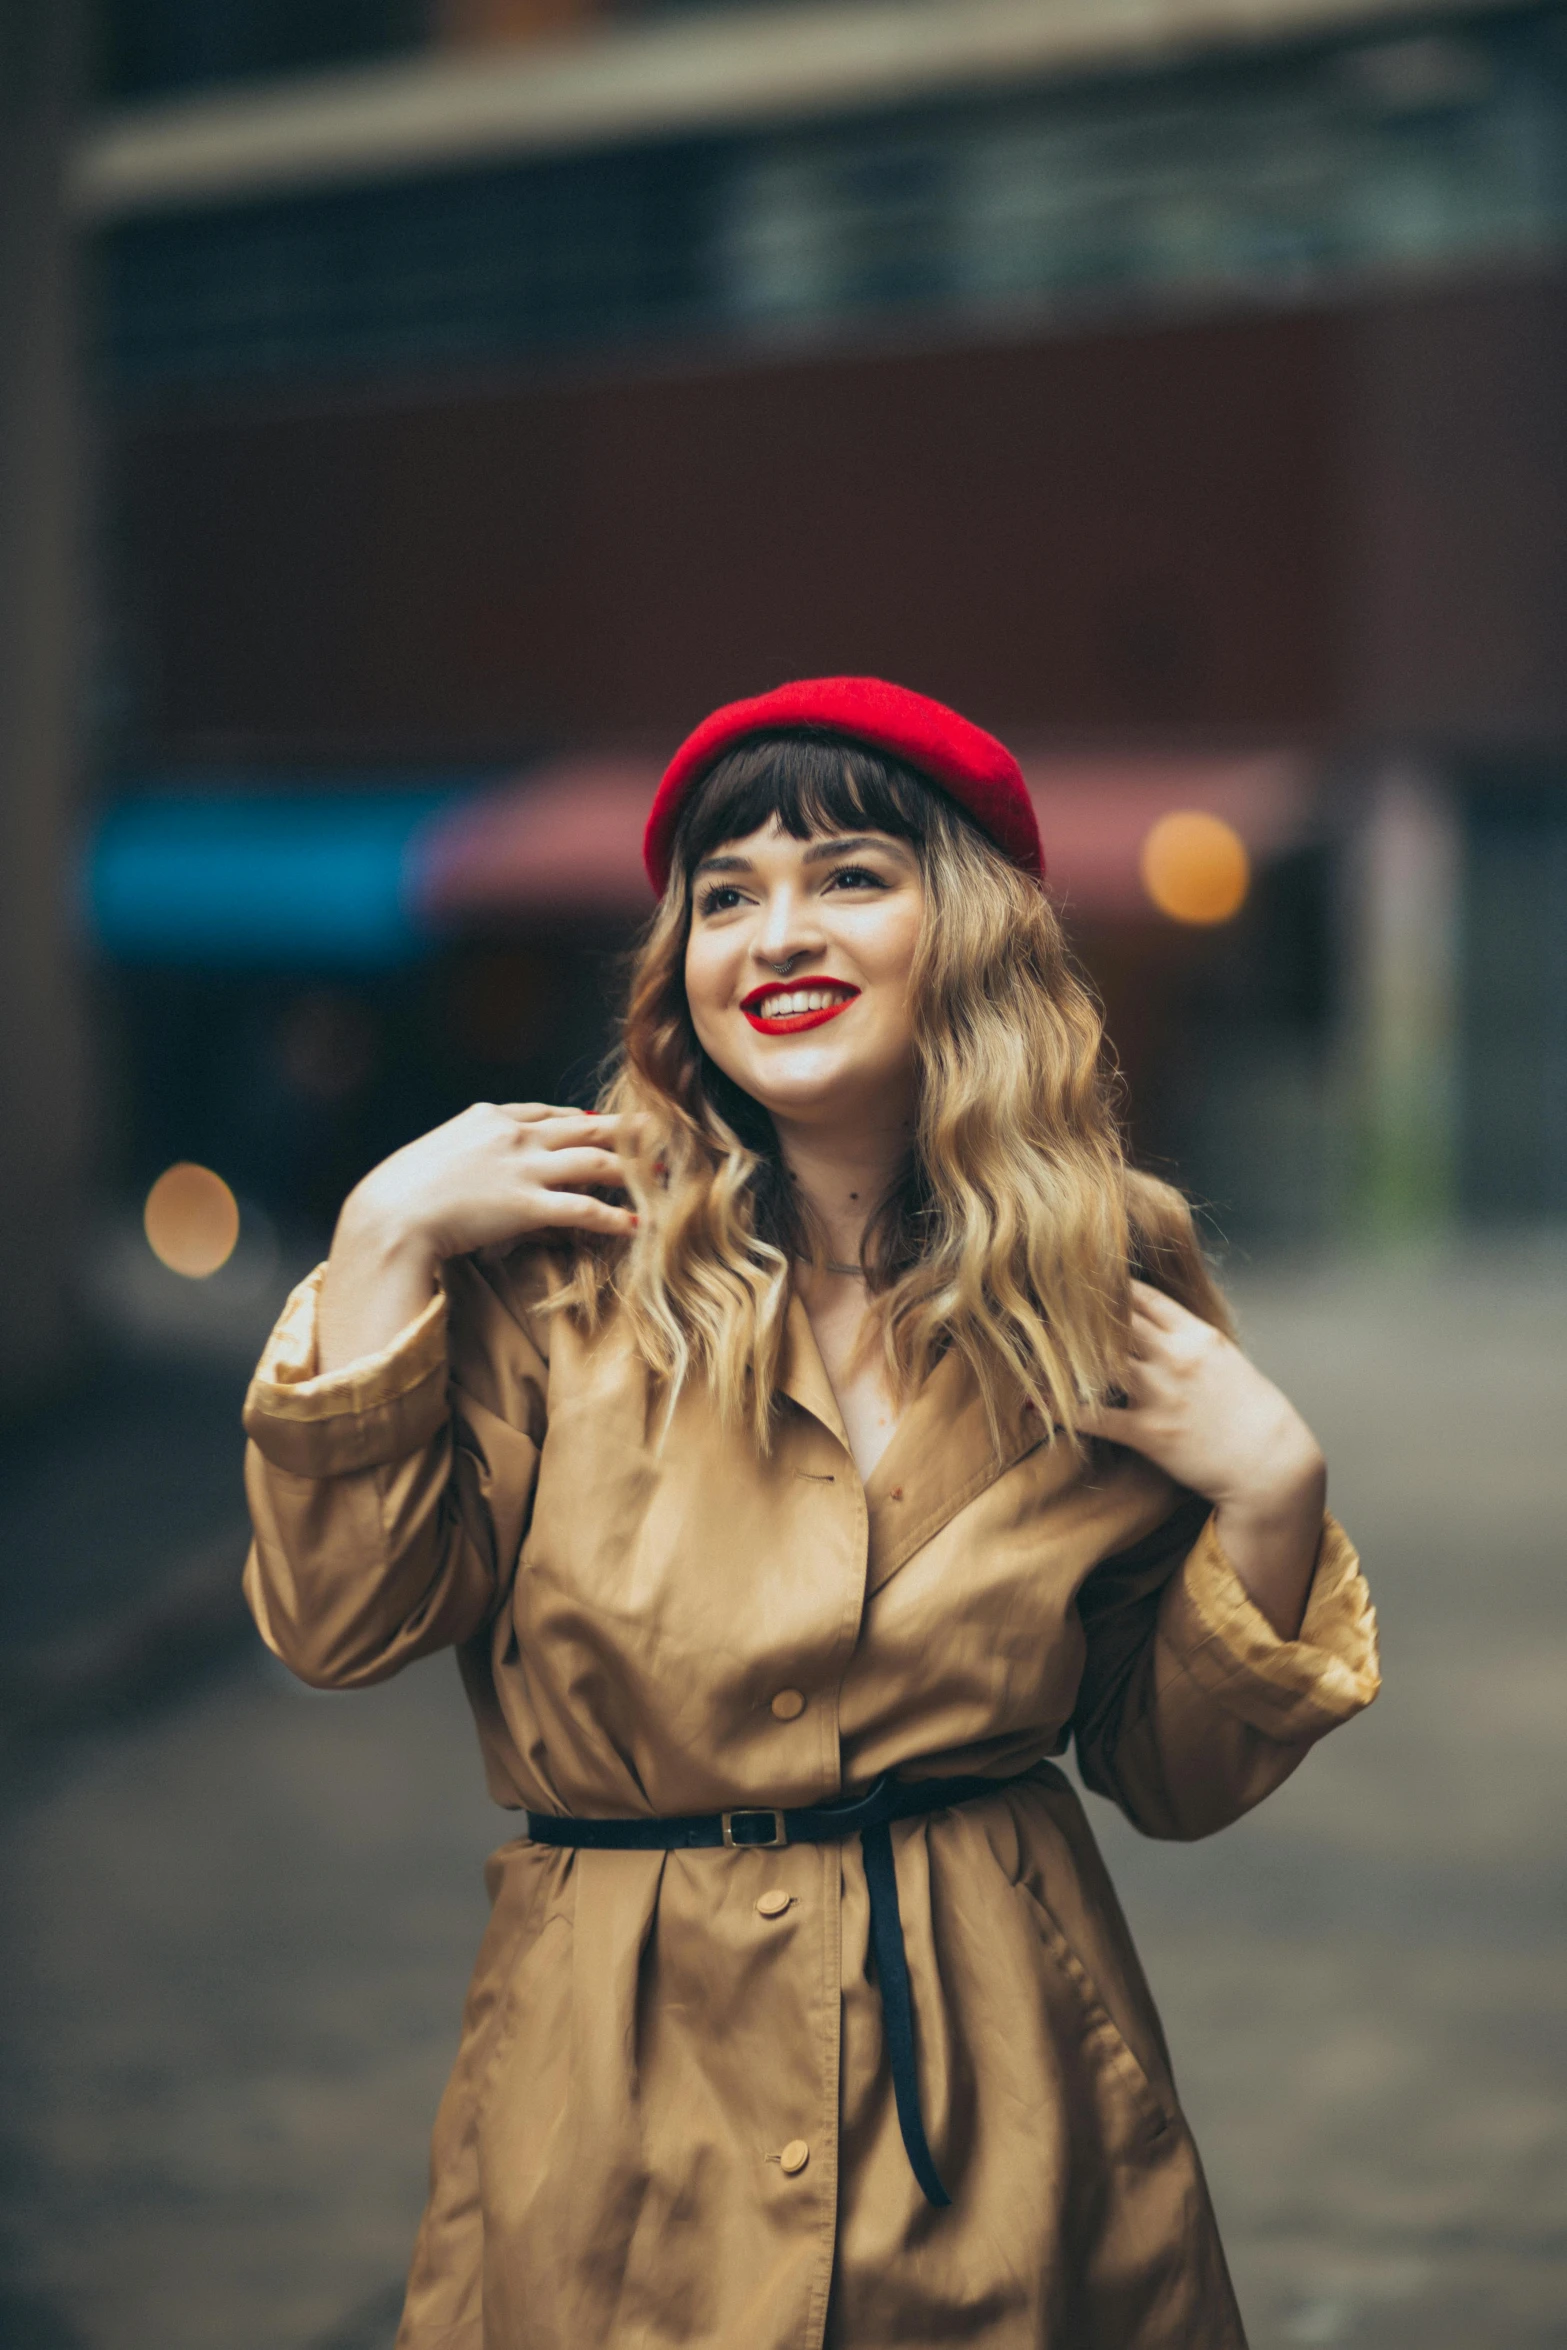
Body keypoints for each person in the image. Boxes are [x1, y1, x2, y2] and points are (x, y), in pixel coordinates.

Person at [242, 677, 1379, 2350]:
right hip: (614, 2108)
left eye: (849, 874)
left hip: (1000, 2103)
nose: (776, 933)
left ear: (971, 932)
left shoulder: (1103, 1282)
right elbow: (340, 1623)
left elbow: (1168, 1771)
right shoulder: (555, 1263)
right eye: (725, 895)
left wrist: (1272, 1498)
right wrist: (375, 1250)